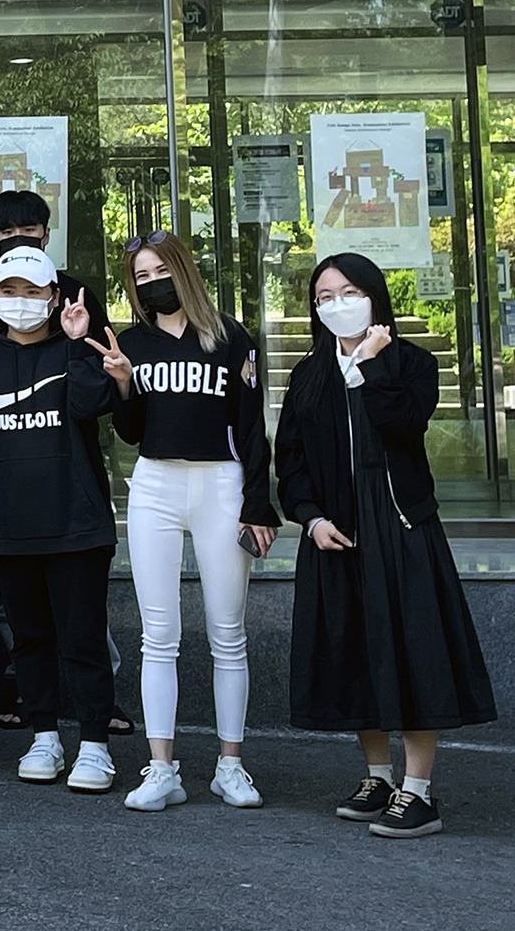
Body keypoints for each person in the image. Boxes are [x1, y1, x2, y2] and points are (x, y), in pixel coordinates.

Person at [277, 253, 497, 840]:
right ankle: (378, 776)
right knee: (355, 648)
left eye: (349, 291)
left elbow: (403, 426)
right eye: (324, 297)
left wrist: (371, 364)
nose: (337, 304)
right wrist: (310, 517)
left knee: (414, 648)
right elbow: (290, 461)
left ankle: (418, 790)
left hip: (400, 525)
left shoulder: (412, 363)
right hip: (338, 530)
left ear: (375, 296)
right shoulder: (308, 374)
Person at [0, 246, 125, 793]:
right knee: (28, 638)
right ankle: (44, 736)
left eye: (32, 292)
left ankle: (94, 744)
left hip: (77, 521)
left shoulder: (78, 350)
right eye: (9, 291)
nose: (20, 301)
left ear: (53, 298)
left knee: (84, 639)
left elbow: (92, 406)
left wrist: (76, 343)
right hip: (9, 523)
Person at [111, 229, 276, 812]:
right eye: (141, 277)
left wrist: (259, 503)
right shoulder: (131, 342)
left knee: (228, 633)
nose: (152, 283)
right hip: (154, 483)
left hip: (221, 483)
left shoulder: (230, 337)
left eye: (161, 271)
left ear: (183, 270)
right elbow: (131, 431)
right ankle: (161, 768)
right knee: (158, 635)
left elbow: (252, 426)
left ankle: (231, 765)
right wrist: (124, 383)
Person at [0, 190, 110, 347]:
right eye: (7, 232)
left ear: (46, 235)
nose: (19, 238)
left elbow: (104, 353)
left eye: (29, 230)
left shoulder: (76, 295)